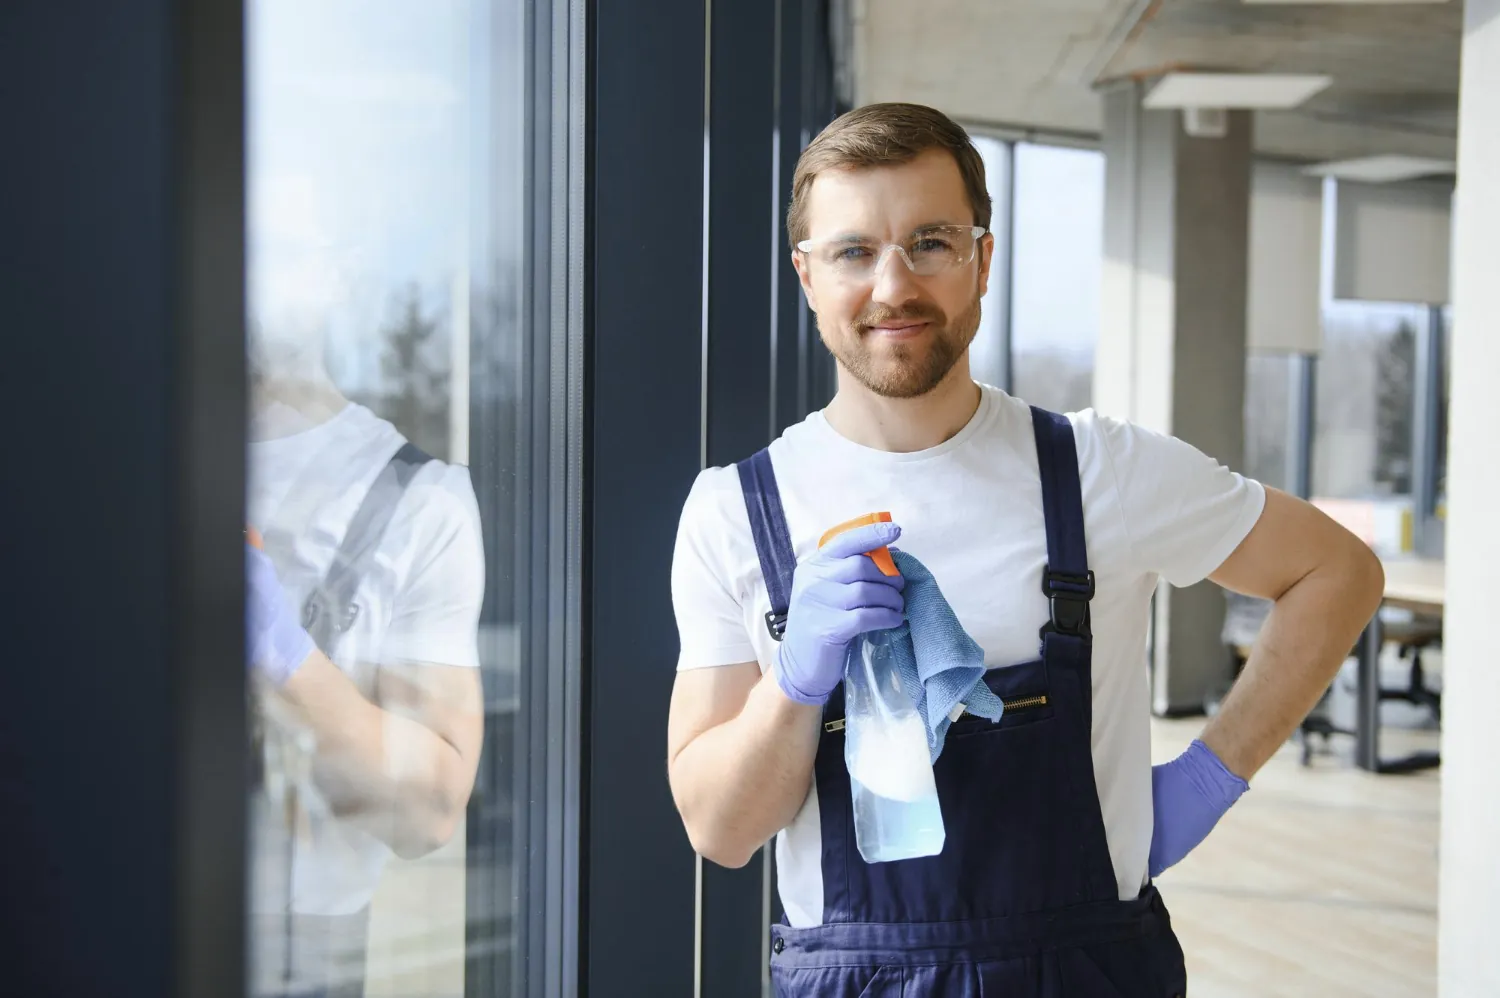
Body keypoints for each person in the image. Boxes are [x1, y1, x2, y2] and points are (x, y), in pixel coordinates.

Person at [665, 102, 1384, 996]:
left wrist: (1208, 776)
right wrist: (794, 685)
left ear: (983, 260)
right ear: (806, 277)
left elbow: (1338, 571)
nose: (893, 286)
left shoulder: (1098, 469)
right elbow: (721, 831)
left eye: (930, 241)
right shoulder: (735, 512)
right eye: (854, 251)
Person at [243, 220, 486, 998]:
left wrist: (280, 656)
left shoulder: (417, 503)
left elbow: (430, 811)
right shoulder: (86, 449)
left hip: (301, 959)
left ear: (338, 271)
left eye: (284, 243)